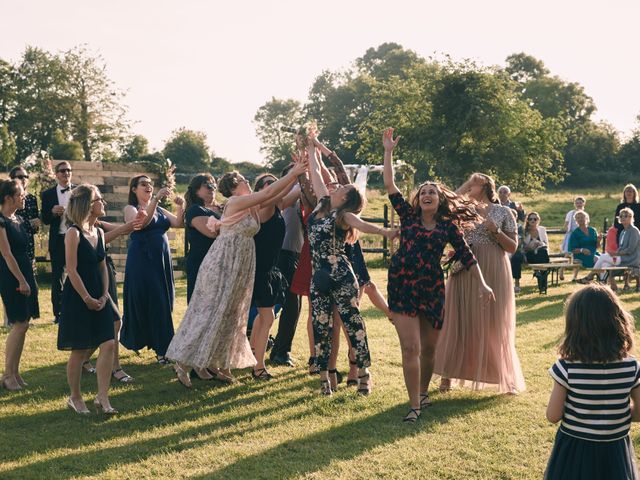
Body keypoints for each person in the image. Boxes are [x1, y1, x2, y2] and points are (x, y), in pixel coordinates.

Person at [382, 130, 493, 421]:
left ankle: (422, 392)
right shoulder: (407, 216)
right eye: (424, 191)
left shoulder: (447, 227)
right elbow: (390, 184)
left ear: (440, 199)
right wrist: (388, 151)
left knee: (429, 349)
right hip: (403, 285)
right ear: (418, 200)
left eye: (432, 191)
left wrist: (482, 284)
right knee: (411, 347)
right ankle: (414, 406)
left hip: (432, 288)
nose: (428, 194)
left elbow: (467, 257)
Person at [166, 164, 307, 387]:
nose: (248, 182)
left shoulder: (250, 203)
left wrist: (297, 180)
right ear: (233, 188)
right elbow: (269, 192)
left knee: (232, 315)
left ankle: (220, 364)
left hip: (240, 265)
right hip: (223, 262)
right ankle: (182, 363)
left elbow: (276, 196)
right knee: (210, 312)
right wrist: (293, 174)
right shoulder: (235, 202)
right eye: (243, 180)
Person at [305, 131, 398, 397]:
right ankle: (324, 380)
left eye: (343, 188)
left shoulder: (344, 215)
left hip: (342, 275)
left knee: (352, 323)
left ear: (347, 198)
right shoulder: (322, 203)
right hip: (319, 275)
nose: (336, 187)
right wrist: (312, 149)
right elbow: (315, 175)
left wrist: (386, 234)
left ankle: (364, 375)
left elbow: (363, 224)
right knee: (320, 324)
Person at [435, 172, 525, 395]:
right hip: (464, 265)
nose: (468, 186)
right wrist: (467, 184)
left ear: (485, 186)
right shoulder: (462, 209)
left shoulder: (504, 211)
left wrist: (494, 229)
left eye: (474, 182)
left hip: (494, 265)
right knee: (459, 317)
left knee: (495, 319)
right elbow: (448, 201)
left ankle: (506, 378)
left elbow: (512, 247)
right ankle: (448, 375)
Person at [545, 284, 640, 479]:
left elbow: (553, 415)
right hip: (615, 451)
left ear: (574, 325)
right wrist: (617, 416)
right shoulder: (632, 368)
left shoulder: (567, 368)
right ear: (617, 321)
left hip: (574, 452)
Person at [57, 185, 117, 414]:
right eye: (99, 199)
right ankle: (75, 397)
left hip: (100, 294)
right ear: (88, 205)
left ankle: (102, 396)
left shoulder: (99, 233)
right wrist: (87, 298)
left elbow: (102, 267)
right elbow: (71, 270)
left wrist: (103, 294)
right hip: (78, 296)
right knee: (80, 350)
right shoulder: (73, 233)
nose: (104, 203)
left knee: (109, 343)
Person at [120, 175, 184, 364]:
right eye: (143, 184)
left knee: (163, 300)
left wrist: (182, 206)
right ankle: (162, 350)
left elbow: (178, 223)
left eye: (150, 184)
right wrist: (155, 199)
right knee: (152, 300)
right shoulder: (131, 209)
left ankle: (161, 345)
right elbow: (142, 224)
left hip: (160, 261)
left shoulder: (160, 209)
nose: (148, 186)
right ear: (134, 189)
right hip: (142, 259)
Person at [248, 173, 299, 380]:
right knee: (267, 317)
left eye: (274, 181)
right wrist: (294, 173)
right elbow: (282, 191)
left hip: (268, 269)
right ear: (260, 190)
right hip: (259, 271)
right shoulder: (264, 206)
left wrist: (304, 169)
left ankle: (252, 355)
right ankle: (258, 367)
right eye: (268, 184)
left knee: (263, 317)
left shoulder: (277, 206)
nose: (273, 185)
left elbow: (296, 191)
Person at [0, 180, 39, 391]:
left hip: (25, 272)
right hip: (11, 276)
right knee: (19, 323)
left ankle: (15, 372)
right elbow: (6, 254)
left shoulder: (19, 219)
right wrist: (21, 280)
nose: (24, 197)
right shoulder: (1, 221)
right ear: (8, 198)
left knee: (24, 323)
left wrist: (28, 277)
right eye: (21, 194)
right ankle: (7, 375)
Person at [270, 166, 305, 368]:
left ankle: (281, 349)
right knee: (290, 304)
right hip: (282, 253)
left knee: (294, 305)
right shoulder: (286, 195)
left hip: (296, 254)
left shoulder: (301, 195)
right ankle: (280, 351)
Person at [41, 161, 74, 324]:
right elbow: (45, 220)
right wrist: (52, 212)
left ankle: (78, 309)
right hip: (58, 240)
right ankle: (58, 314)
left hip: (77, 238)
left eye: (68, 170)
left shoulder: (79, 191)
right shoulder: (47, 195)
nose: (66, 173)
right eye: (62, 171)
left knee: (80, 273)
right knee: (57, 277)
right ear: (56, 174)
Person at [8, 166, 41, 324]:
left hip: (28, 246)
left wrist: (36, 223)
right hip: (13, 246)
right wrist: (30, 223)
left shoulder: (32, 199)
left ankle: (25, 315)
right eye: (20, 176)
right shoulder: (8, 200)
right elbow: (13, 224)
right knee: (13, 282)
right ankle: (11, 317)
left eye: (26, 176)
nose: (23, 179)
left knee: (31, 282)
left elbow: (35, 226)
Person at [578, 208, 640, 291]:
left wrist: (615, 254)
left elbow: (630, 250)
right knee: (604, 264)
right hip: (621, 257)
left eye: (625, 216)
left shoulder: (634, 230)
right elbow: (621, 248)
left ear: (631, 217)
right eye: (621, 216)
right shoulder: (623, 232)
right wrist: (615, 253)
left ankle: (590, 276)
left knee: (603, 257)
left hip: (630, 259)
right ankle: (606, 287)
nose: (623, 218)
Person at [184, 174, 221, 303]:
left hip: (219, 262)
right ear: (196, 190)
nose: (212, 189)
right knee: (200, 306)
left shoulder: (221, 209)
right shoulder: (195, 210)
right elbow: (212, 232)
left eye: (214, 186)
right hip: (201, 262)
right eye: (208, 185)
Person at [523, 211, 550, 294]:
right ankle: (542, 284)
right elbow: (521, 247)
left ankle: (542, 286)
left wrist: (540, 244)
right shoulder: (524, 231)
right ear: (527, 220)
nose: (533, 220)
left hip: (541, 253)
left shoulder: (542, 229)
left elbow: (546, 244)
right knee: (540, 258)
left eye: (535, 219)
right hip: (529, 254)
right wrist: (530, 246)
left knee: (543, 252)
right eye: (530, 219)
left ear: (538, 220)